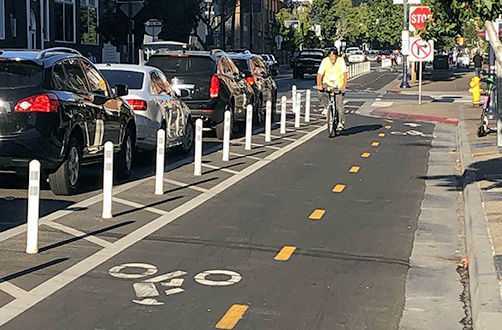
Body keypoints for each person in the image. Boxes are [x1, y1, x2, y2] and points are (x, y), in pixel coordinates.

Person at [316, 48, 348, 131]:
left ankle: (340, 123)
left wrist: (344, 85)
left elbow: (345, 74)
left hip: (338, 84)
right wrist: (319, 85)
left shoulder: (340, 61)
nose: (332, 59)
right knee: (321, 94)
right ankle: (326, 107)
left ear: (336, 56)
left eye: (333, 56)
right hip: (327, 83)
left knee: (339, 105)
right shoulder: (325, 61)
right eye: (330, 57)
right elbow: (319, 74)